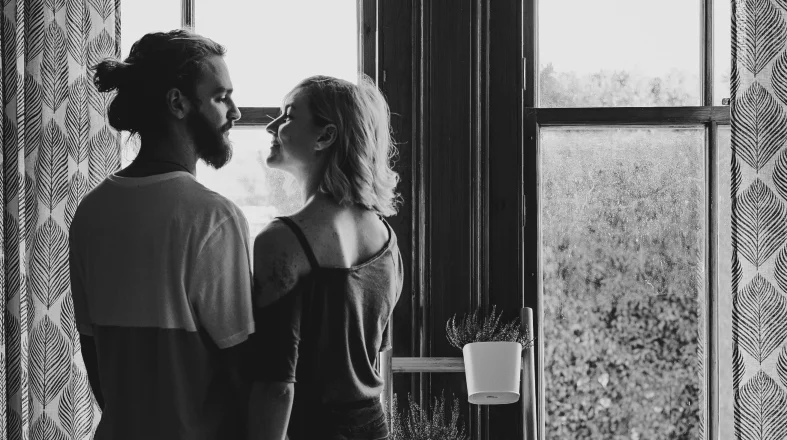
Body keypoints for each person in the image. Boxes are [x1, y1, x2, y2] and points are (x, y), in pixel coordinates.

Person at [69, 29, 253, 440]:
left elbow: (93, 352)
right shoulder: (213, 217)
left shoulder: (90, 211)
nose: (236, 111)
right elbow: (241, 369)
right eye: (221, 97)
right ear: (177, 102)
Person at [246, 75, 403, 440]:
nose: (272, 125)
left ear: (325, 136)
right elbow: (371, 352)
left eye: (287, 116)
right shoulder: (386, 239)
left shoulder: (283, 240)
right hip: (373, 428)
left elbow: (276, 385)